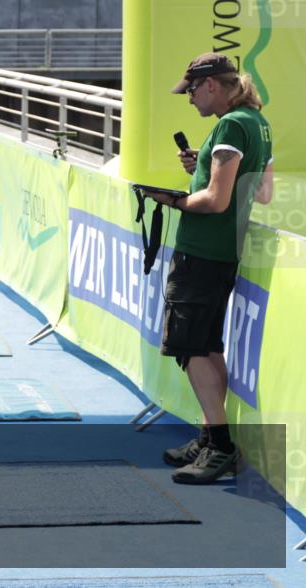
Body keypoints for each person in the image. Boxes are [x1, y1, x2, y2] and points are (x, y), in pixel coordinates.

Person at [144, 52, 273, 485]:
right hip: (222, 253)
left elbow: (215, 201)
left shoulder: (231, 125)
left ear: (212, 85)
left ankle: (219, 448)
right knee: (208, 345)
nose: (190, 100)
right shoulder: (256, 121)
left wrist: (172, 199)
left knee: (192, 348)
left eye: (192, 91)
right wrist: (208, 161)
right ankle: (210, 436)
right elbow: (263, 191)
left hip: (203, 252)